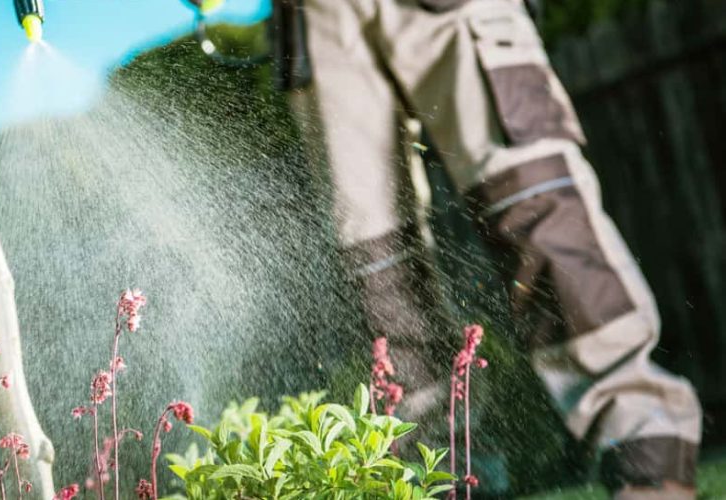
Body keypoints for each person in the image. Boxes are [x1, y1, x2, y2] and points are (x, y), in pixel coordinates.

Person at [271, 0, 702, 498]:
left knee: (533, 203)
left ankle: (647, 460)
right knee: (377, 266)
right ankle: (445, 479)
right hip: (318, 20)